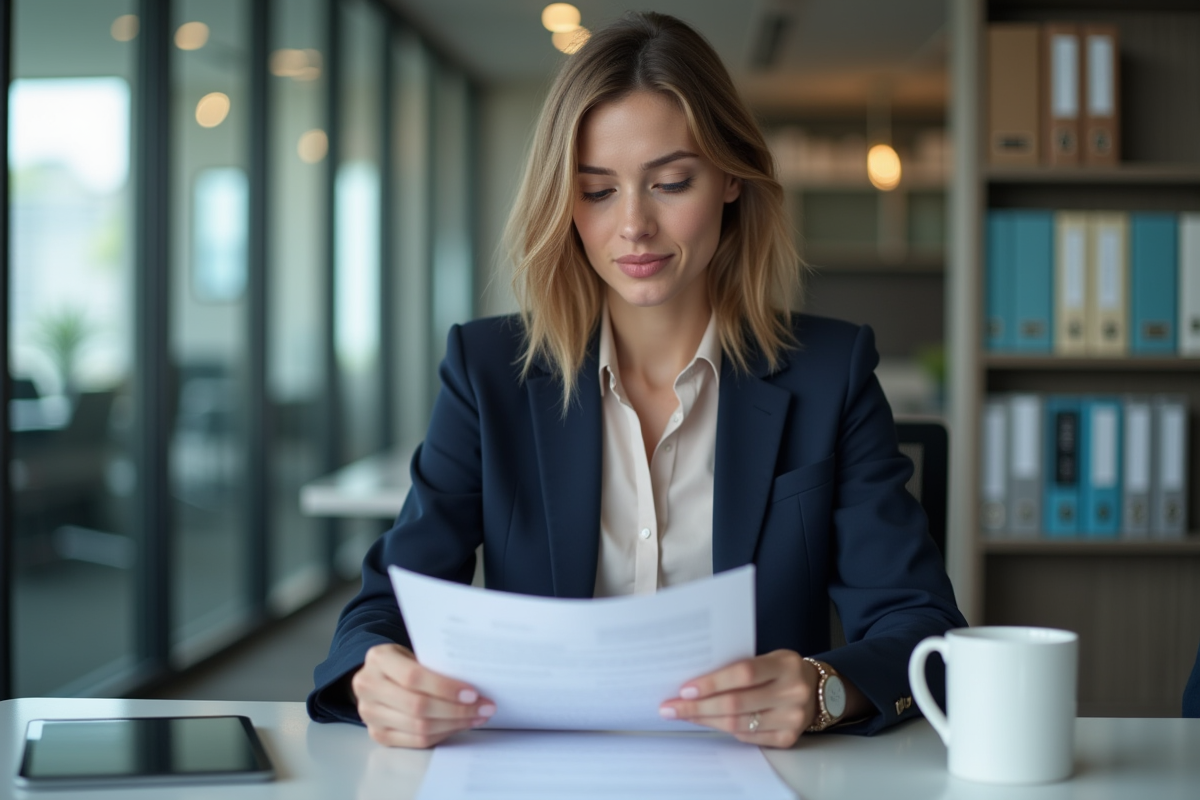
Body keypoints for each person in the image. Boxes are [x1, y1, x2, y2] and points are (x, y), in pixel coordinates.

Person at [308, 10, 965, 749]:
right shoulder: (489, 371)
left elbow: (925, 631)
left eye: (671, 182)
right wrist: (377, 673)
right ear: (564, 205)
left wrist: (823, 691)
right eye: (597, 192)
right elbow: (384, 606)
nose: (634, 228)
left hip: (762, 775)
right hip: (535, 773)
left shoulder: (829, 374)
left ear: (730, 181)